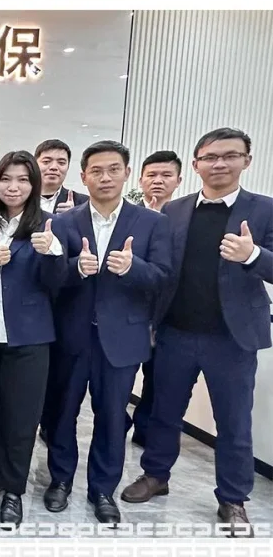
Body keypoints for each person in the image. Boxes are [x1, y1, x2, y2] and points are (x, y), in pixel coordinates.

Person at [121, 128, 272, 537]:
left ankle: (233, 498)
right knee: (163, 411)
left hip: (231, 338)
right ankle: (156, 475)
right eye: (210, 157)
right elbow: (162, 270)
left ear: (246, 160)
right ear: (196, 164)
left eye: (230, 155)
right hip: (176, 331)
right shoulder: (174, 211)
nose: (219, 163)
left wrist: (253, 255)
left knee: (233, 421)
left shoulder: (264, 210)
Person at [44, 140, 172, 524]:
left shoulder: (153, 223)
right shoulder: (64, 223)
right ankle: (60, 480)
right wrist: (74, 269)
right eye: (96, 171)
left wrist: (133, 268)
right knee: (61, 414)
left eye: (113, 169)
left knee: (112, 418)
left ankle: (102, 489)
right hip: (71, 337)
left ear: (127, 173)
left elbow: (163, 279)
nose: (105, 177)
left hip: (122, 340)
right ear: (83, 176)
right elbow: (48, 281)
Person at [0, 151, 66, 527]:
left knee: (21, 417)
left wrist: (53, 253)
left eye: (22, 179)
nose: (13, 186)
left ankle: (13, 490)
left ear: (34, 185)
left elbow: (58, 284)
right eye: (6, 179)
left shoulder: (50, 225)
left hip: (29, 336)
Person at [34, 138, 90, 445]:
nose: (53, 167)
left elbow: (87, 256)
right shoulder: (19, 199)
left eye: (60, 162)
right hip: (29, 303)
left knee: (61, 375)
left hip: (66, 306)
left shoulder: (81, 205)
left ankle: (51, 426)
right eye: (47, 161)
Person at [128, 150, 183, 446]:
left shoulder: (183, 218)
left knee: (157, 381)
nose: (158, 181)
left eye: (166, 175)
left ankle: (144, 431)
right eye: (151, 175)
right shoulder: (129, 215)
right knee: (119, 382)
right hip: (130, 313)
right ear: (140, 179)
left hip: (168, 316)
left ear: (179, 180)